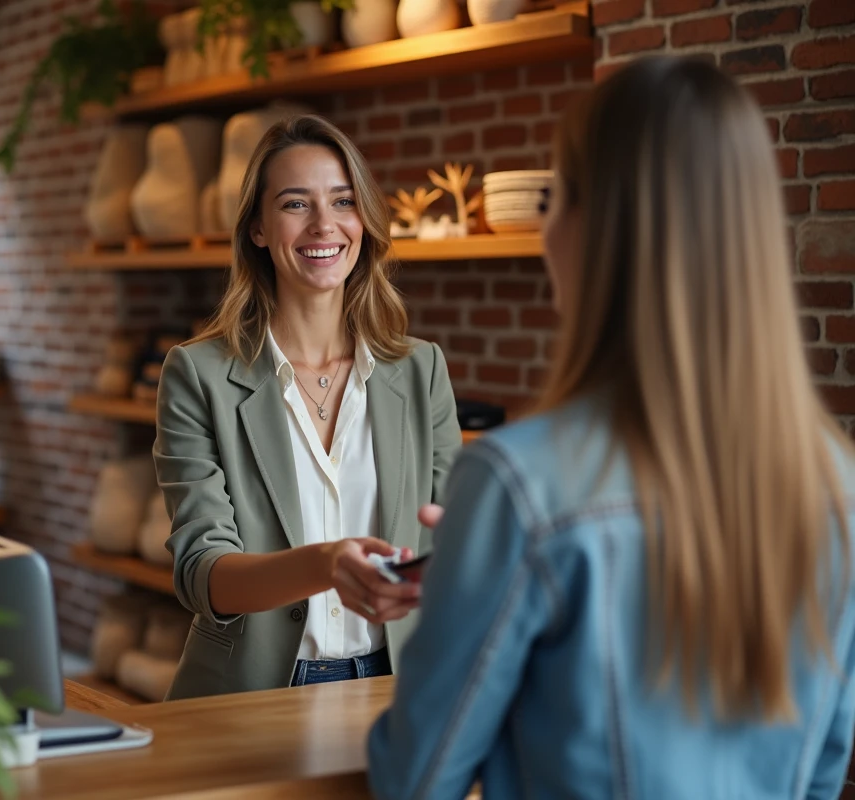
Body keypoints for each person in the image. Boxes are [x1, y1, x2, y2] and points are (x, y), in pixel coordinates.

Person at [366, 55, 855, 799]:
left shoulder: (517, 483)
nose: (544, 229)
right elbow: (824, 770)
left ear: (598, 229)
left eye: (555, 197)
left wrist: (466, 606)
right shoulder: (837, 482)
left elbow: (418, 778)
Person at [153, 114, 463, 701]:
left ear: (363, 221)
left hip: (398, 688)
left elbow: (453, 542)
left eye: (343, 201)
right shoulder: (198, 374)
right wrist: (325, 565)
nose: (324, 224)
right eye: (295, 204)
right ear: (258, 228)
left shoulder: (421, 370)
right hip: (248, 697)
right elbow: (202, 573)